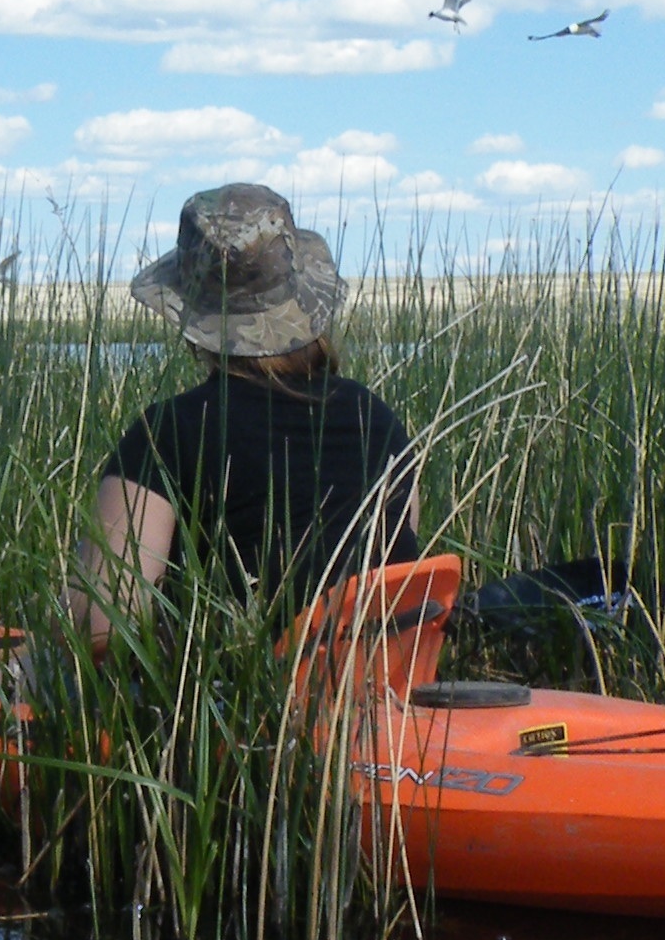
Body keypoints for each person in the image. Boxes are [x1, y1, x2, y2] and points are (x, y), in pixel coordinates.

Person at [69, 184, 419, 641]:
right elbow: (399, 567)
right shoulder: (378, 418)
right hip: (385, 692)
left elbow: (101, 627)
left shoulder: (172, 432)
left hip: (240, 701)